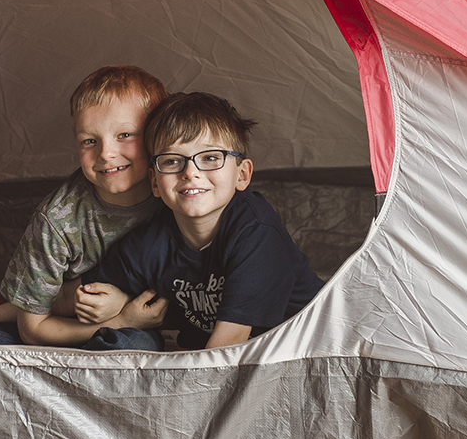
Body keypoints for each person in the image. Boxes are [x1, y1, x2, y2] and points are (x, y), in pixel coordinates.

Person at [79, 92, 325, 350]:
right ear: (154, 181)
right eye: (173, 161)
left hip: (309, 351)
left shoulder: (258, 233)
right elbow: (77, 295)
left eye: (210, 158)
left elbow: (223, 350)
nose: (191, 173)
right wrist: (121, 302)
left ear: (242, 175)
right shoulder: (152, 241)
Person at [0, 65, 169, 349]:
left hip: (137, 319)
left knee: (131, 348)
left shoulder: (180, 194)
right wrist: (120, 321)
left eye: (125, 135)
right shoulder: (57, 220)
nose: (107, 154)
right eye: (89, 141)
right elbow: (33, 330)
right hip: (68, 326)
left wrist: (125, 308)